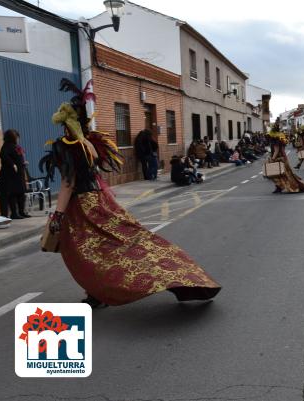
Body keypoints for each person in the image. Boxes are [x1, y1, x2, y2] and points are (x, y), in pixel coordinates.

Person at [41, 78, 221, 308]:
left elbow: (68, 183)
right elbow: (95, 176)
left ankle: (98, 293)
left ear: (66, 125)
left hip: (81, 208)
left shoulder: (68, 147)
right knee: (130, 242)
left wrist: (57, 214)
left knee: (86, 253)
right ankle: (181, 275)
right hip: (100, 201)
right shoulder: (91, 145)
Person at [267, 126, 304, 194]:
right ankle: (281, 187)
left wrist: (272, 159)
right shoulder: (280, 139)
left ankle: (283, 187)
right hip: (282, 158)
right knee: (284, 174)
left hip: (278, 159)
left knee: (277, 174)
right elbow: (283, 151)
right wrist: (286, 159)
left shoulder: (275, 140)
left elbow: (276, 150)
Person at [0, 129, 30, 219]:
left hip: (18, 174)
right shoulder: (6, 146)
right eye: (16, 137)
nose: (18, 139)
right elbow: (2, 155)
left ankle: (22, 211)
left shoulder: (16, 146)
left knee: (21, 193)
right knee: (13, 194)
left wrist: (23, 163)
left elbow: (18, 157)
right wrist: (12, 164)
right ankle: (14, 214)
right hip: (10, 175)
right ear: (11, 138)